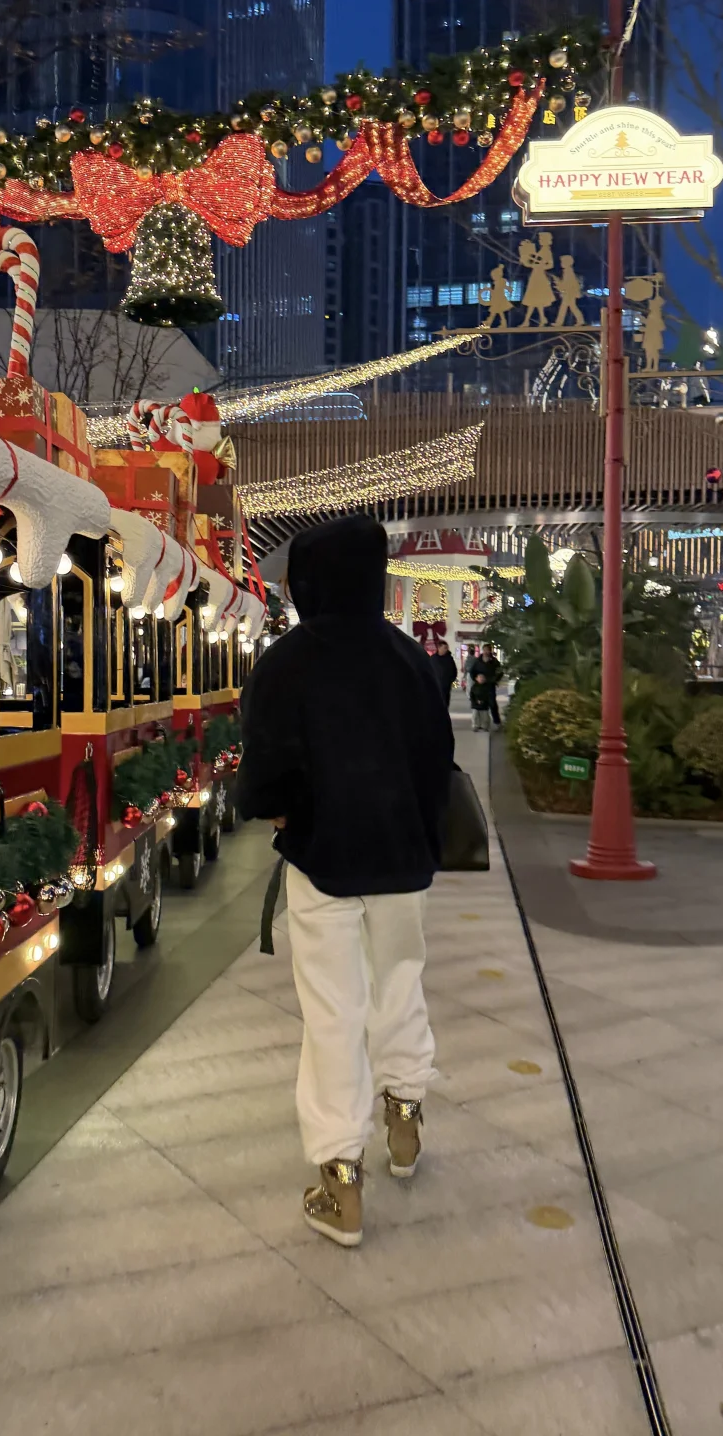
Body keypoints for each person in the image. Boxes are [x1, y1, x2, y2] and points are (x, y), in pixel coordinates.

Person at [236, 516, 455, 1248]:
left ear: (308, 581)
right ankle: (405, 1119)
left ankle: (341, 1180)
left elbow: (264, 773)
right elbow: (438, 763)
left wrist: (281, 813)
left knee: (333, 1011)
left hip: (322, 859)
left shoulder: (286, 663)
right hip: (402, 861)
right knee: (400, 980)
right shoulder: (410, 659)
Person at [471, 642, 503, 727]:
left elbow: (500, 672)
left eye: (488, 650)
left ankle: (496, 722)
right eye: (484, 650)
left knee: (492, 704)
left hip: (490, 685)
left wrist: (494, 680)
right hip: (479, 686)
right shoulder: (478, 661)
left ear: (490, 651)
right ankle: (479, 723)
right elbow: (472, 672)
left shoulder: (494, 662)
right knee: (478, 704)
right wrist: (476, 679)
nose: (486, 652)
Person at [430, 638, 457, 704]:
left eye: (447, 648)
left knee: (445, 702)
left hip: (446, 685)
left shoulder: (449, 659)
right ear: (439, 648)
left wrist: (451, 680)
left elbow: (454, 670)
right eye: (444, 648)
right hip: (435, 685)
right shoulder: (433, 658)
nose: (446, 649)